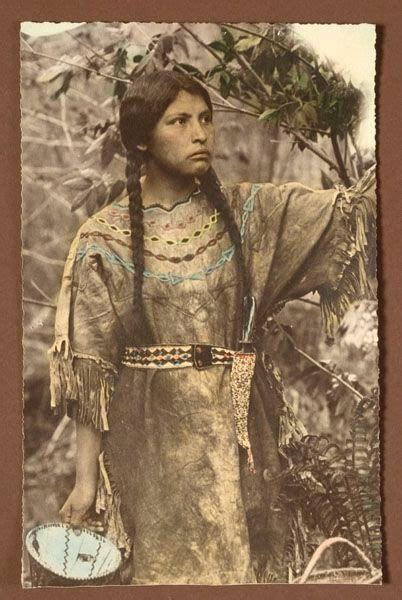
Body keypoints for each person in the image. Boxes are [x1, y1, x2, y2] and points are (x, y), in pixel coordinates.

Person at [49, 70, 376, 584]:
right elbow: (91, 371)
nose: (200, 132)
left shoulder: (251, 216)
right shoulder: (102, 239)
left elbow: (351, 215)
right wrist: (85, 481)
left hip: (242, 431)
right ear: (141, 139)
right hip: (149, 439)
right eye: (178, 121)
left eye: (205, 119)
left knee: (243, 571)